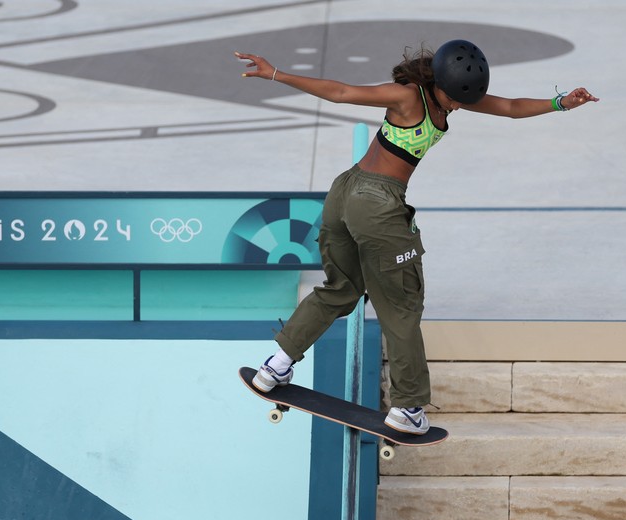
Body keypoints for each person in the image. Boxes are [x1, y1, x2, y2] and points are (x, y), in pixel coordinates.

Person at [236, 40, 598, 434]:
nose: (459, 106)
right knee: (402, 305)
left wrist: (560, 103)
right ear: (438, 82)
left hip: (344, 195)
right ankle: (407, 408)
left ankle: (274, 368)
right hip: (376, 203)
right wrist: (276, 74)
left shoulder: (453, 94)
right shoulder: (408, 97)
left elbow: (510, 108)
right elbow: (340, 92)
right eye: (455, 99)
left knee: (342, 288)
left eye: (465, 100)